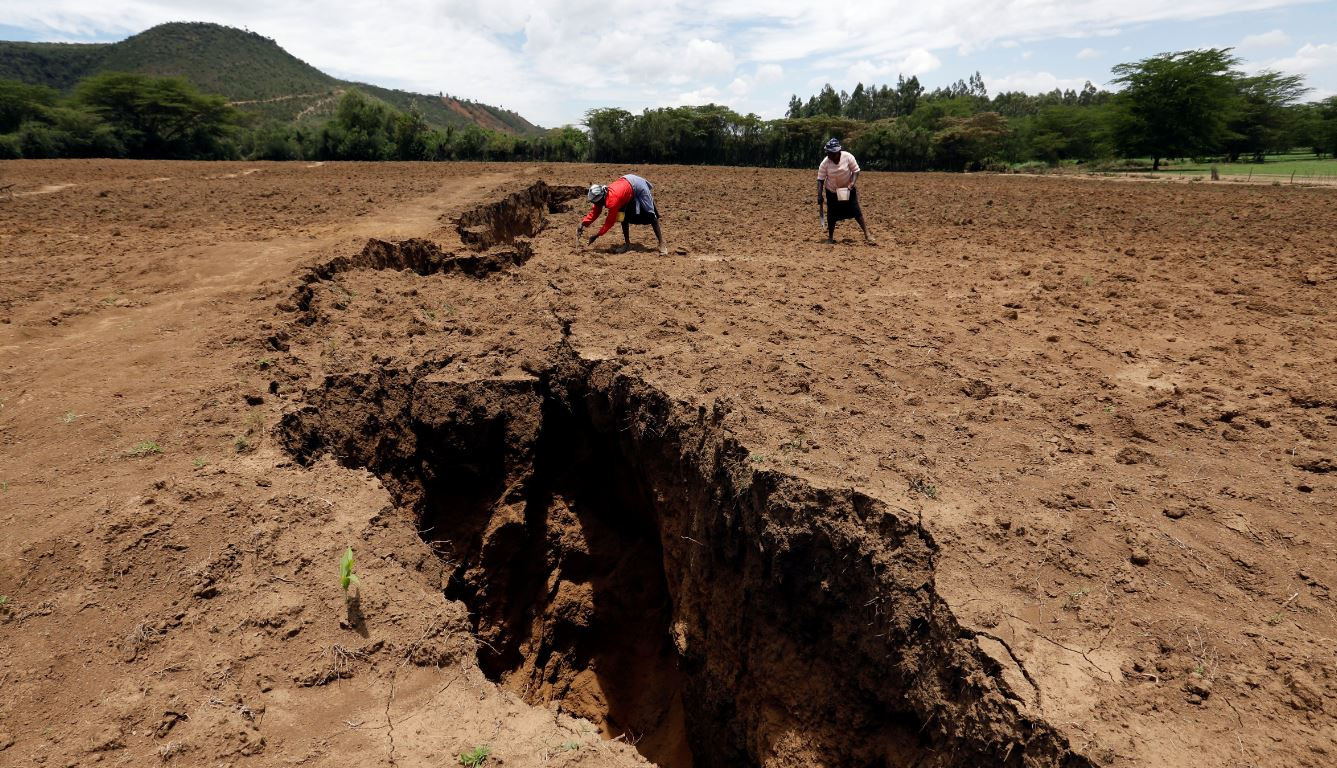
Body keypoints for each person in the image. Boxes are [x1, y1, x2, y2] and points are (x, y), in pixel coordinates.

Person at [577, 173, 668, 255]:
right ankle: (627, 244)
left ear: (600, 199)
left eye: (595, 202)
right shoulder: (602, 196)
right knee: (622, 217)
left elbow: (609, 223)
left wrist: (596, 235)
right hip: (625, 184)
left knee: (651, 214)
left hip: (638, 185)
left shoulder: (612, 201)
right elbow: (595, 211)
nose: (595, 204)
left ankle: (661, 243)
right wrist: (583, 223)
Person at [817, 138, 875, 245]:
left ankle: (867, 234)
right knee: (831, 215)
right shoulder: (825, 163)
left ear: (838, 152)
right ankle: (830, 238)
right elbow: (820, 180)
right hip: (832, 191)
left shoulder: (848, 157)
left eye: (831, 154)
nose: (829, 156)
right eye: (828, 153)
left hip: (848, 189)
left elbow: (856, 171)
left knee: (856, 211)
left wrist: (852, 183)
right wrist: (819, 195)